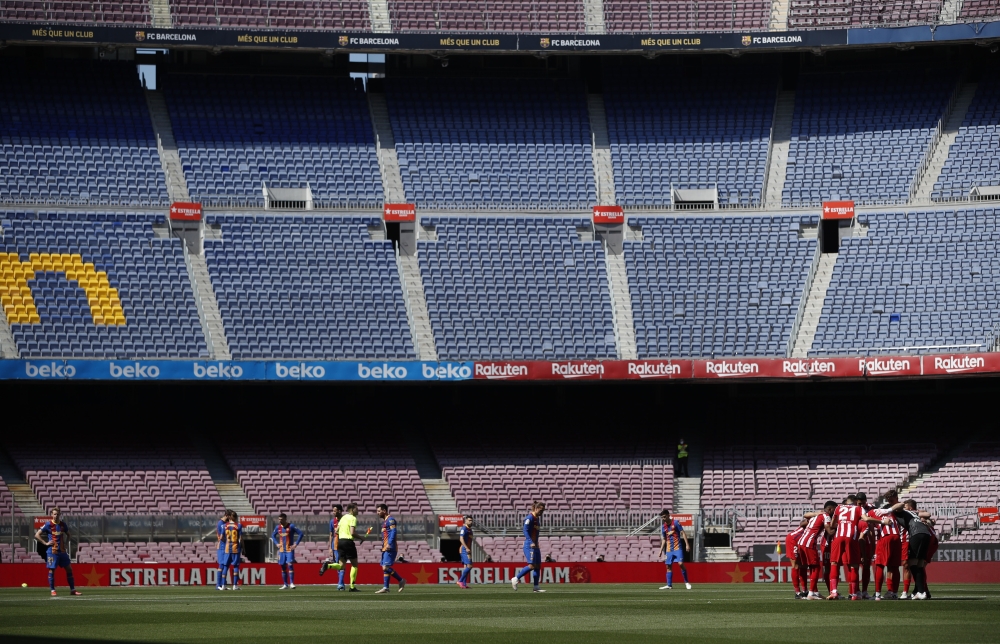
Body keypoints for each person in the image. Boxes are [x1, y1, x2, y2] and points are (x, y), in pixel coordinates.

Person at [863, 495, 903, 600]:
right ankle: (894, 593)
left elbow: (866, 520)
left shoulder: (873, 512)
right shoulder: (893, 512)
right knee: (894, 567)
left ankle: (877, 594)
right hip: (897, 537)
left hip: (885, 538)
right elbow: (901, 505)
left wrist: (872, 546)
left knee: (880, 565)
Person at [893, 499, 934, 600]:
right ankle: (921, 592)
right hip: (926, 535)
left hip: (916, 534)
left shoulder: (903, 512)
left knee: (912, 563)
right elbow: (929, 517)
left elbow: (897, 508)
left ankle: (920, 591)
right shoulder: (915, 513)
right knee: (919, 564)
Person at [35, 507, 80, 597]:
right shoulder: (48, 524)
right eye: (54, 514)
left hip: (62, 551)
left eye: (57, 514)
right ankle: (52, 590)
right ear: (51, 515)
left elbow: (69, 534)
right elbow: (37, 535)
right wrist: (45, 543)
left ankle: (72, 590)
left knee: (69, 569)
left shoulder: (63, 524)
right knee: (52, 570)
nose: (56, 516)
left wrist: (66, 544)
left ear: (60, 515)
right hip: (52, 551)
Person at [828, 494, 864, 600]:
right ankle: (854, 594)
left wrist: (841, 523)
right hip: (851, 537)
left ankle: (834, 592)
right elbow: (865, 519)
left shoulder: (839, 507)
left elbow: (832, 524)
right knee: (853, 565)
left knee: (834, 563)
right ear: (855, 501)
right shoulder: (858, 508)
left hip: (838, 536)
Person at [799, 501, 835, 600]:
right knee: (816, 567)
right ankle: (811, 593)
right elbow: (829, 531)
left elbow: (805, 516)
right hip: (809, 542)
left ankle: (814, 591)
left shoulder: (816, 515)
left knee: (811, 567)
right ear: (830, 509)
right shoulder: (826, 515)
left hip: (801, 542)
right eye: (834, 510)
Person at [512, 501, 545, 592]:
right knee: (531, 566)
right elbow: (525, 531)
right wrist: (531, 542)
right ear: (536, 508)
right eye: (541, 510)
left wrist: (536, 542)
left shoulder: (537, 519)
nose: (542, 512)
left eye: (543, 511)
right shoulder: (529, 518)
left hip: (535, 545)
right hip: (529, 545)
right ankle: (516, 578)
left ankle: (536, 587)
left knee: (538, 565)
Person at [374, 504, 406, 594]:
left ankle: (401, 580)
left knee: (385, 567)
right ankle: (386, 587)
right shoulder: (384, 522)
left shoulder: (390, 520)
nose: (377, 513)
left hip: (390, 547)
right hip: (385, 547)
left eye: (379, 511)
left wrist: (389, 543)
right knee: (385, 567)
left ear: (384, 511)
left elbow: (393, 532)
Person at [658, 509, 691, 590]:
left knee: (680, 563)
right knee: (668, 566)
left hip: (677, 548)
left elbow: (683, 532)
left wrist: (687, 544)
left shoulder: (676, 522)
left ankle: (686, 582)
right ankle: (669, 585)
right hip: (669, 549)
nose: (663, 519)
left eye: (664, 517)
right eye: (662, 517)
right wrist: (660, 550)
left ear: (669, 515)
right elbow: (664, 539)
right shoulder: (663, 527)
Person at [337, 503, 365, 592]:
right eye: (357, 508)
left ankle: (328, 565)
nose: (358, 510)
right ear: (352, 509)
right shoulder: (353, 518)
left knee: (341, 565)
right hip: (348, 542)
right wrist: (361, 537)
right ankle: (352, 587)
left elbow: (336, 530)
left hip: (340, 541)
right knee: (355, 564)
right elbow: (352, 532)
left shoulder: (343, 517)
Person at [272, 513, 303, 590]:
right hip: (282, 550)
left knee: (290, 564)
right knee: (283, 566)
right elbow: (273, 535)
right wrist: (276, 543)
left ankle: (292, 583)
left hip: (289, 550)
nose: (280, 521)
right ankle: (285, 584)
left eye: (281, 519)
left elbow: (301, 533)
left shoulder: (291, 526)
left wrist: (296, 544)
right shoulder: (278, 527)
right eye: (279, 519)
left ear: (285, 519)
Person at [855, 493, 876, 599]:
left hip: (866, 538)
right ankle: (856, 591)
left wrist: (873, 545)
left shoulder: (871, 508)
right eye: (859, 503)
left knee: (866, 565)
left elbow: (872, 528)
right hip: (855, 539)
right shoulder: (853, 509)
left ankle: (864, 591)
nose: (861, 505)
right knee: (854, 566)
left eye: (863, 503)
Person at [319, 504, 345, 587]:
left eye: (334, 511)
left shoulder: (345, 520)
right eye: (333, 511)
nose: (333, 512)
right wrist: (330, 547)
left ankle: (341, 583)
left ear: (339, 511)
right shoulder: (332, 521)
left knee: (340, 563)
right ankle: (341, 583)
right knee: (339, 563)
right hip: (336, 545)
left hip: (344, 543)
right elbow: (331, 534)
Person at [217, 510, 243, 590]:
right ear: (235, 517)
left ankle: (223, 585)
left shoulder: (225, 525)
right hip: (235, 548)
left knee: (225, 566)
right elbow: (241, 539)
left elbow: (221, 537)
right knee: (235, 566)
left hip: (227, 548)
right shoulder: (238, 525)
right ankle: (235, 585)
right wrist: (241, 546)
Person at [786, 519, 807, 599]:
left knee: (804, 565)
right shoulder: (817, 517)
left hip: (803, 540)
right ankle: (797, 593)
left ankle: (805, 591)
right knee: (796, 566)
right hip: (794, 539)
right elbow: (802, 523)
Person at [457, 516, 474, 589]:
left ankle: (463, 584)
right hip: (464, 549)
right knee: (470, 566)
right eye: (469, 520)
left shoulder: (470, 530)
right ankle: (460, 581)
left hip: (467, 549)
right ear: (466, 521)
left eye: (472, 520)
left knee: (466, 567)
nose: (471, 522)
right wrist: (466, 548)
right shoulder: (464, 528)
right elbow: (461, 539)